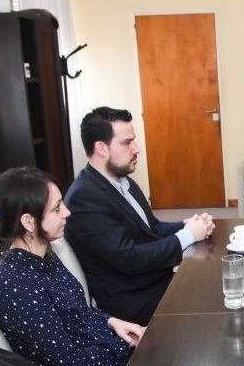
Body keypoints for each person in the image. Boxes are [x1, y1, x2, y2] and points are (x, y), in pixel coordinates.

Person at [0, 166, 144, 366]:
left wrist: (112, 322)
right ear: (29, 222)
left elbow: (78, 313)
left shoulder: (42, 253)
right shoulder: (13, 284)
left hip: (95, 358)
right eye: (57, 208)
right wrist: (120, 346)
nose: (67, 212)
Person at [64, 106, 215, 325]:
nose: (136, 149)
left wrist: (186, 226)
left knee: (215, 279)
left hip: (151, 281)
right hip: (131, 301)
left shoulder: (123, 181)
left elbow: (150, 228)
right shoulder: (84, 198)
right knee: (213, 301)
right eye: (127, 142)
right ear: (101, 148)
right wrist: (188, 236)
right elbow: (130, 259)